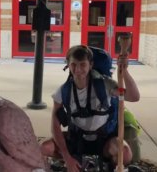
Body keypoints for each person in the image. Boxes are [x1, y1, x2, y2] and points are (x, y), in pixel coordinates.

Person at [40, 44, 140, 172]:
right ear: (68, 65)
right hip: (77, 140)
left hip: (104, 141)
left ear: (90, 65)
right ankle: (72, 164)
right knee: (44, 148)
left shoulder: (105, 85)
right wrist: (67, 158)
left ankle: (109, 166)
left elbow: (133, 96)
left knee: (125, 154)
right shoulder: (63, 91)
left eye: (83, 64)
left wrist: (124, 71)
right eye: (74, 65)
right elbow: (55, 127)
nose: (78, 69)